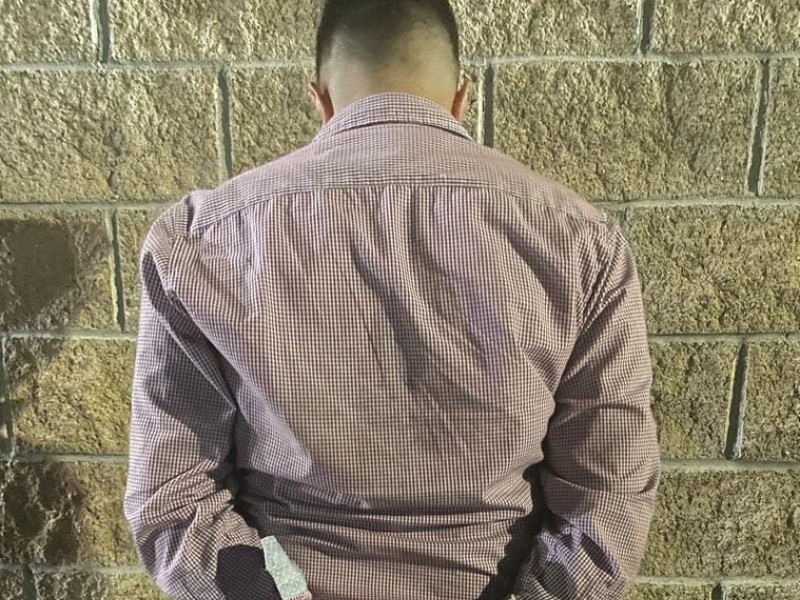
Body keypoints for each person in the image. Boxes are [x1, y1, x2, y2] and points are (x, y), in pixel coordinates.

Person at [123, 0, 662, 598]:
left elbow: (171, 495)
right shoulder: (580, 240)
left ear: (321, 101)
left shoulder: (201, 238)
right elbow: (608, 498)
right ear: (461, 100)